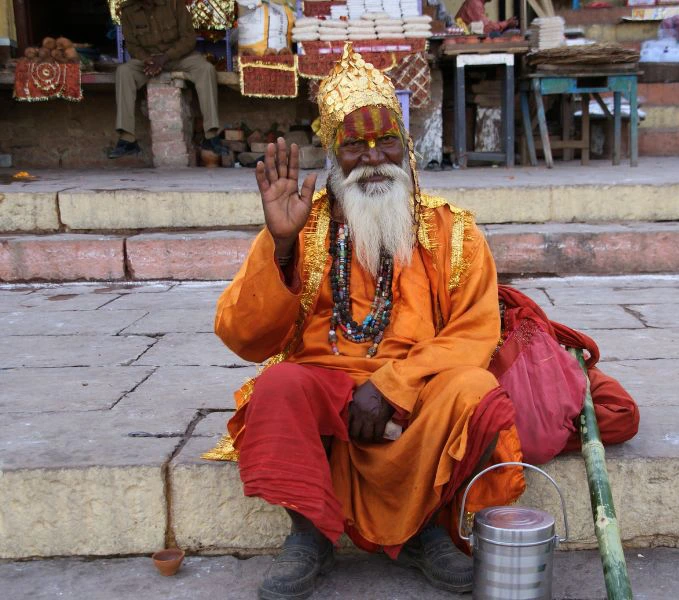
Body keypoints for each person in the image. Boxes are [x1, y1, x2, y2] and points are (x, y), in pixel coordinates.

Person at [214, 44, 638, 600]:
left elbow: (475, 331)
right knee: (278, 384)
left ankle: (428, 530)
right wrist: (284, 246)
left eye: (384, 140)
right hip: (327, 385)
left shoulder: (450, 230)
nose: (372, 156)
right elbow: (243, 336)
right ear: (333, 155)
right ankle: (309, 532)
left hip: (418, 390)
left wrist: (392, 387)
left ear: (406, 145)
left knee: (473, 389)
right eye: (354, 144)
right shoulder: (303, 224)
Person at [109, 0, 226, 158]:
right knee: (124, 72)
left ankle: (211, 135)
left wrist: (164, 58)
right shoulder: (128, 11)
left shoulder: (174, 4)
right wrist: (148, 60)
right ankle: (127, 139)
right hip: (149, 60)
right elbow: (132, 45)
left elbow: (188, 39)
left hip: (178, 57)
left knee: (206, 70)